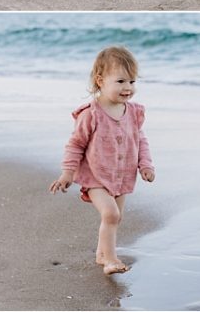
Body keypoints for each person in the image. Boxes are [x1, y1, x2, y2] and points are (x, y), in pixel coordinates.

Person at [48, 46, 155, 275]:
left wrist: (145, 165)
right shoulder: (92, 113)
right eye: (120, 81)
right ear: (100, 80)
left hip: (123, 175)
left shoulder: (133, 112)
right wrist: (68, 172)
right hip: (96, 176)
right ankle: (111, 260)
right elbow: (76, 144)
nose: (128, 87)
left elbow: (141, 139)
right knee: (110, 214)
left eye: (132, 81)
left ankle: (101, 254)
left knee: (116, 217)